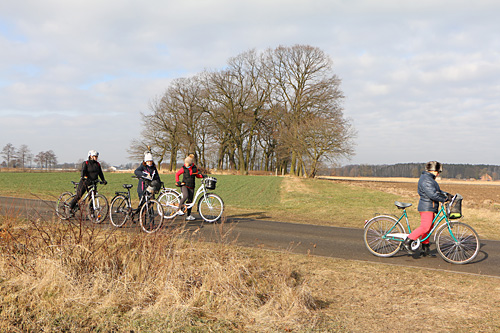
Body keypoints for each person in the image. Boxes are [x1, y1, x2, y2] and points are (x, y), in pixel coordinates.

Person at [403, 161, 452, 257]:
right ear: (433, 170)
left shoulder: (429, 179)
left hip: (430, 206)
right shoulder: (427, 180)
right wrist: (445, 199)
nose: (438, 174)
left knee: (429, 228)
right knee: (425, 227)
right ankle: (408, 242)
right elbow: (432, 194)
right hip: (427, 207)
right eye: (438, 171)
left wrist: (447, 194)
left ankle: (425, 248)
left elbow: (436, 191)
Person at [175, 154, 204, 220]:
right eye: (185, 162)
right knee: (185, 196)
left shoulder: (194, 168)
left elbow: (197, 175)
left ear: (190, 163)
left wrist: (202, 176)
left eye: (187, 163)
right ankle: (178, 209)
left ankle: (188, 215)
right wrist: (178, 181)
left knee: (190, 201)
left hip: (192, 186)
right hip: (184, 185)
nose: (186, 164)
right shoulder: (183, 168)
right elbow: (177, 174)